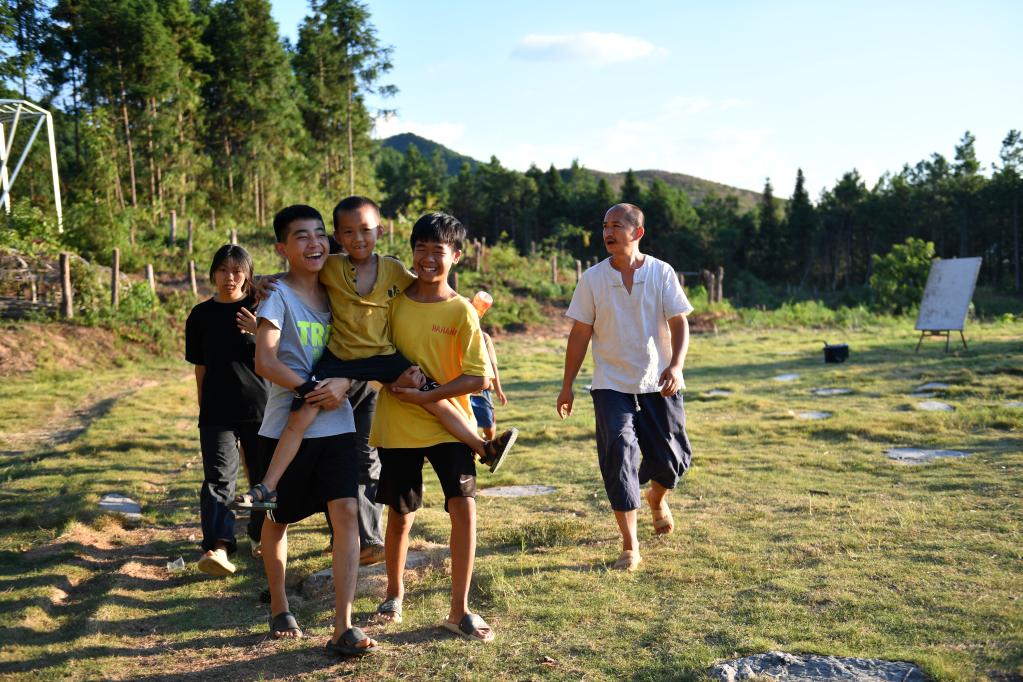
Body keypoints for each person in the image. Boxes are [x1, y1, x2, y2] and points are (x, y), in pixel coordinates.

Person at [234, 196, 516, 512]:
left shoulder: (393, 270)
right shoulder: (330, 266)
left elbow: (426, 286)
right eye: (348, 232)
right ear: (338, 237)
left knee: (430, 392)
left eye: (366, 230)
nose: (358, 238)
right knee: (301, 414)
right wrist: (263, 281)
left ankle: (482, 447)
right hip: (340, 358)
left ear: (379, 231)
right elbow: (298, 273)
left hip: (383, 356)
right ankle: (268, 486)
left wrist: (459, 308)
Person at [254, 204, 376, 655]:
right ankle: (279, 604)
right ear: (282, 248)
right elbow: (265, 361)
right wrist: (309, 389)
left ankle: (344, 625)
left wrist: (343, 382)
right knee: (278, 519)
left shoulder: (337, 289)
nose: (314, 243)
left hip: (338, 426)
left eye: (320, 234)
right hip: (284, 428)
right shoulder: (276, 296)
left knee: (346, 513)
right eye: (301, 236)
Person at [370, 212, 496, 641]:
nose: (427, 258)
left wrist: (429, 396)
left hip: (449, 427)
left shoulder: (462, 311)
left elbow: (478, 378)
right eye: (420, 249)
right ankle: (393, 594)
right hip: (398, 426)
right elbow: (376, 357)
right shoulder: (393, 303)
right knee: (401, 514)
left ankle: (459, 609)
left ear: (456, 256)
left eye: (437, 251)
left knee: (464, 508)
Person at [556, 203, 694, 572]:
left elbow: (679, 322)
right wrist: (567, 385)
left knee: (672, 461)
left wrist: (676, 366)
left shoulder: (661, 272)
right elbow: (580, 333)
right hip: (610, 384)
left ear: (637, 232)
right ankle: (630, 546)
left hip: (658, 381)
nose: (608, 232)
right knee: (617, 455)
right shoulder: (593, 279)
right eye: (605, 225)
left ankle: (656, 498)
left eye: (617, 225)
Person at [185, 244, 268, 576]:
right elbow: (200, 367)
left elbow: (284, 352)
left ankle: (261, 533)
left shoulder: (261, 308)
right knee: (218, 480)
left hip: (261, 408)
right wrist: (203, 405)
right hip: (217, 411)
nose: (229, 277)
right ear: (213, 274)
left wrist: (258, 329)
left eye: (236, 271)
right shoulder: (200, 316)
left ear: (247, 274)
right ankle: (218, 546)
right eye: (222, 270)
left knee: (264, 479)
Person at [468, 293, 508, 442]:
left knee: (488, 425)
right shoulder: (454, 335)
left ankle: (488, 444)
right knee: (466, 424)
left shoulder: (483, 338)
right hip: (461, 388)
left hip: (482, 390)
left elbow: (492, 365)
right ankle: (475, 448)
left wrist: (498, 390)